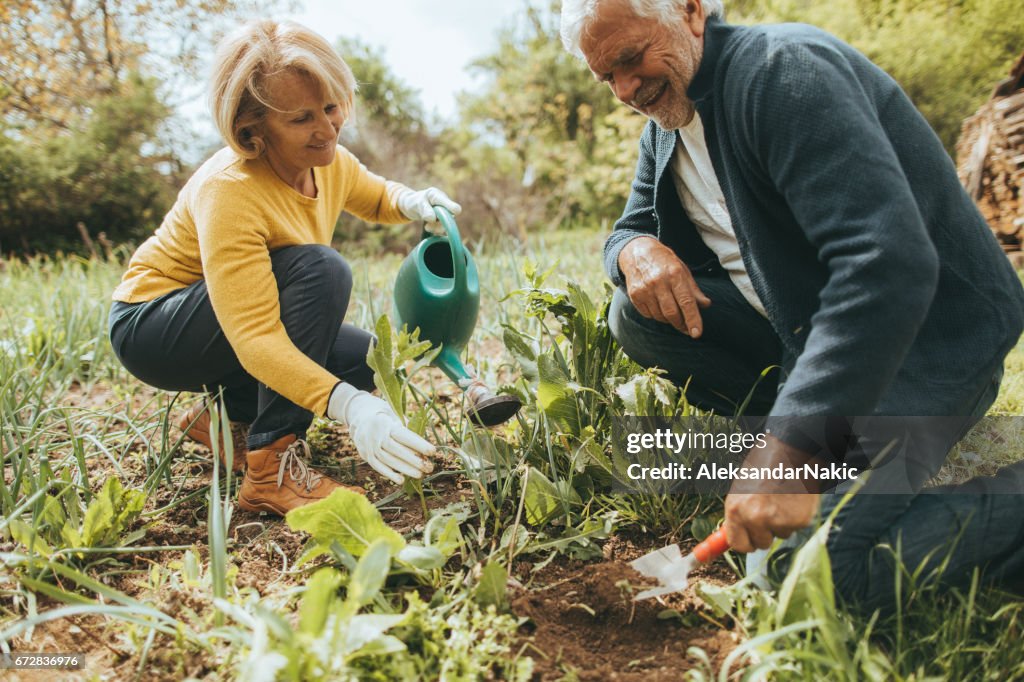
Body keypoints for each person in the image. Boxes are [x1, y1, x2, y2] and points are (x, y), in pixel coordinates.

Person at [560, 0, 1024, 610]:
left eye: (630, 58)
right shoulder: (668, 126)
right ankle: (807, 447)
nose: (624, 88)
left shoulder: (782, 74)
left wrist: (789, 450)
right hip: (806, 337)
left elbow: (885, 267)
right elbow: (627, 227)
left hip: (923, 346)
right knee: (632, 311)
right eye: (606, 76)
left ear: (691, 11)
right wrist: (633, 249)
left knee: (802, 574)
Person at [109, 19, 460, 516]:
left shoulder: (326, 159)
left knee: (362, 359)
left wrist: (413, 202)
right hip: (154, 326)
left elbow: (374, 194)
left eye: (331, 107)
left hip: (220, 324)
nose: (327, 129)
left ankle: (223, 420)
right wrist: (348, 406)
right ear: (252, 127)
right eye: (301, 119)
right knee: (321, 270)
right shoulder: (230, 189)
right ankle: (270, 468)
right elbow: (254, 337)